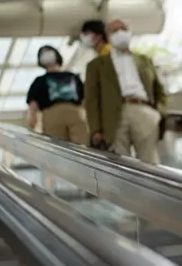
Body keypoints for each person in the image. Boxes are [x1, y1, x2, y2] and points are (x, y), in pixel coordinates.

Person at [82, 19, 167, 163]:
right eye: (115, 30)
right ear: (108, 36)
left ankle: (148, 186)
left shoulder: (144, 60)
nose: (120, 32)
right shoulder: (96, 65)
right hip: (113, 115)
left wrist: (159, 112)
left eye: (123, 29)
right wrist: (95, 129)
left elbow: (159, 90)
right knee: (121, 163)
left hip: (143, 110)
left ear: (130, 32)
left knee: (150, 163)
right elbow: (92, 99)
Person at [26, 45, 88, 145]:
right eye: (42, 53)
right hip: (52, 114)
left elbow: (84, 97)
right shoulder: (39, 81)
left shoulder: (72, 76)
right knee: (58, 148)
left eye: (48, 51)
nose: (45, 54)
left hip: (76, 113)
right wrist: (32, 119)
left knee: (83, 146)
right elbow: (33, 102)